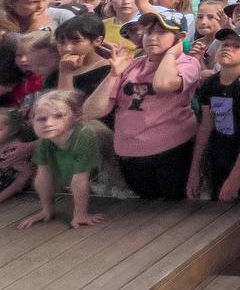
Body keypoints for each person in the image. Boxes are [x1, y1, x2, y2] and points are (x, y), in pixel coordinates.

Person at [83, 14, 201, 200]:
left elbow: (163, 84)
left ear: (179, 37)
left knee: (174, 209)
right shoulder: (133, 65)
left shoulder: (187, 63)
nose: (153, 37)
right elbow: (92, 111)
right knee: (145, 209)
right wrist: (114, 74)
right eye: (148, 32)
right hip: (131, 152)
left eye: (162, 32)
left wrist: (171, 53)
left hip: (172, 149)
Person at [188, 26, 240, 202]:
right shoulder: (209, 85)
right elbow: (206, 126)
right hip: (219, 154)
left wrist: (235, 176)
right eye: (225, 44)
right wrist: (195, 170)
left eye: (237, 46)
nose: (228, 48)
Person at [17, 90, 103, 229]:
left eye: (59, 116)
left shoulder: (84, 136)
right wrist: (46, 209)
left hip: (109, 180)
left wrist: (80, 214)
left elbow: (80, 178)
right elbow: (43, 177)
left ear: (75, 117)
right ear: (32, 121)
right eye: (41, 119)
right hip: (86, 181)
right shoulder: (44, 142)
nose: (48, 123)